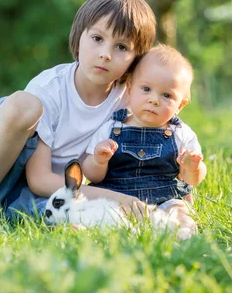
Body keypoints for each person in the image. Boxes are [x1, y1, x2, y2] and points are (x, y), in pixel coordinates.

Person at [0, 0, 157, 225]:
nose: (105, 54)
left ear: (136, 58)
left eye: (122, 47)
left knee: (77, 219)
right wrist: (118, 198)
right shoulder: (50, 89)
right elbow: (39, 179)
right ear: (79, 37)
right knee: (25, 105)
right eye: (97, 39)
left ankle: (6, 208)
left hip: (45, 190)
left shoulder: (129, 99)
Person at [82, 44, 207, 238]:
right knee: (104, 215)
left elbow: (192, 180)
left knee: (181, 215)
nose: (154, 100)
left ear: (180, 105)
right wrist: (99, 160)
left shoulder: (180, 133)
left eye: (167, 95)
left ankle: (182, 237)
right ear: (130, 89)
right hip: (117, 196)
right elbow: (93, 176)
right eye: (146, 89)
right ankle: (95, 231)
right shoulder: (111, 128)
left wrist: (192, 168)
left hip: (166, 198)